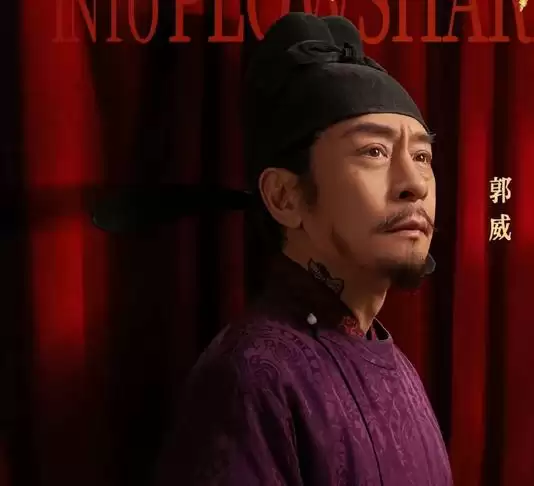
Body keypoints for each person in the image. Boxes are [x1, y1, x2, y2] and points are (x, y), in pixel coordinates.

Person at [152, 12, 453, 486]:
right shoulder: (253, 376)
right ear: (285, 197)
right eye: (374, 151)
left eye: (421, 156)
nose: (414, 183)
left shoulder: (400, 369)